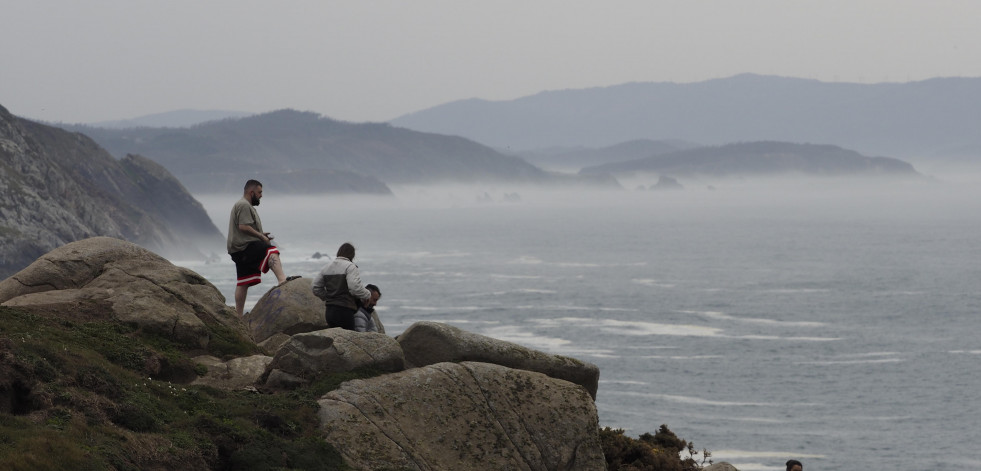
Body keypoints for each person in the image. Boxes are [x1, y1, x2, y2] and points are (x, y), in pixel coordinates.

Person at [227, 179, 289, 315]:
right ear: (251, 192)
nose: (261, 195)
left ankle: (238, 315)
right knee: (271, 250)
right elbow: (243, 226)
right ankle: (282, 280)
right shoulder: (244, 205)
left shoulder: (242, 205)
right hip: (244, 247)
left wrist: (260, 234)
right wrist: (261, 237)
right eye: (259, 192)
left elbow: (245, 228)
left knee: (243, 281)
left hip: (237, 250)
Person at [311, 242, 371, 330]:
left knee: (335, 340)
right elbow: (354, 287)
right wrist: (367, 294)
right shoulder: (350, 267)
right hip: (345, 310)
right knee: (348, 340)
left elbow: (315, 287)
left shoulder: (326, 267)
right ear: (352, 255)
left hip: (329, 311)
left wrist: (328, 296)